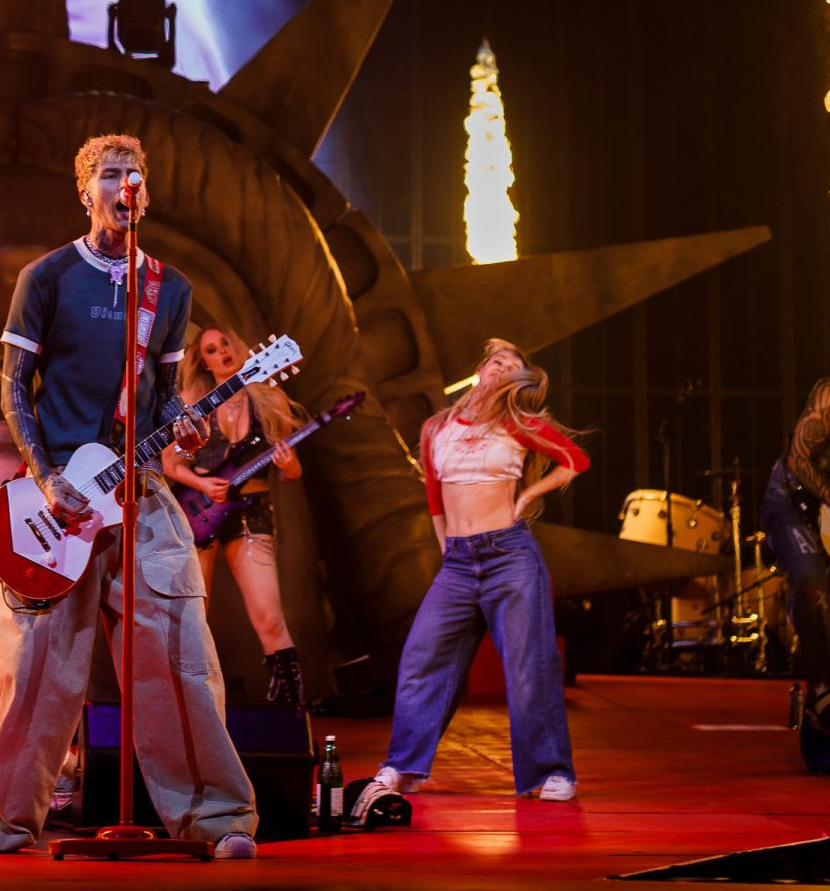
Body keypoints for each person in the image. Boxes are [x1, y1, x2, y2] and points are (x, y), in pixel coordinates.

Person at [0, 134, 258, 858]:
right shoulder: (47, 277)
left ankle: (217, 818)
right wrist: (44, 476)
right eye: (111, 174)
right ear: (85, 191)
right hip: (58, 497)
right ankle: (2, 820)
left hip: (142, 492)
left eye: (136, 176)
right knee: (33, 666)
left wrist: (183, 425)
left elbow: (162, 397)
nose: (126, 185)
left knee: (181, 655)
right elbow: (13, 388)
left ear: (145, 196)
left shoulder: (170, 288)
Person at [359, 339, 588, 813]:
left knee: (528, 667)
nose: (502, 367)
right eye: (496, 361)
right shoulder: (437, 428)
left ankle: (551, 771)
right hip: (459, 563)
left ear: (516, 382)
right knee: (421, 660)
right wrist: (447, 547)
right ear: (481, 370)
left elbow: (574, 460)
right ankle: (404, 765)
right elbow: (434, 495)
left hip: (509, 556)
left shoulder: (518, 424)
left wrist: (527, 497)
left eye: (512, 366)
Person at [161, 324, 307, 705]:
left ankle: (291, 712)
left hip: (251, 511)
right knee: (195, 615)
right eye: (211, 349)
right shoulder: (193, 401)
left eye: (226, 343)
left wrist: (288, 464)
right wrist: (200, 483)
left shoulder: (269, 399)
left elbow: (292, 472)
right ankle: (190, 705)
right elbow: (169, 463)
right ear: (204, 362)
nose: (222, 352)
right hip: (199, 512)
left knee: (269, 617)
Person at [758, 375, 830, 775]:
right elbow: (797, 461)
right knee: (811, 578)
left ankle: (829, 746)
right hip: (791, 505)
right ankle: (823, 683)